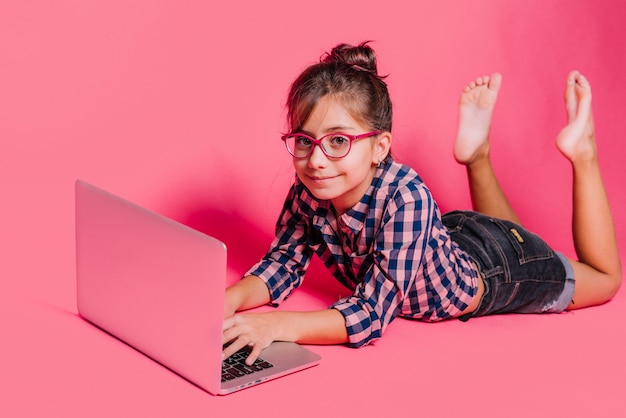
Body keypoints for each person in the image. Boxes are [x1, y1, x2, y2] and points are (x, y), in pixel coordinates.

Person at [222, 42, 622, 365]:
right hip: (452, 236)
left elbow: (370, 314)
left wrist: (275, 325)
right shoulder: (309, 189)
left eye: (339, 140)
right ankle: (477, 153)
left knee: (604, 279)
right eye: (304, 141)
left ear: (380, 146)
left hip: (495, 272)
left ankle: (582, 149)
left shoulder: (406, 194)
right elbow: (282, 264)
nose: (317, 159)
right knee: (510, 231)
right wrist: (230, 301)